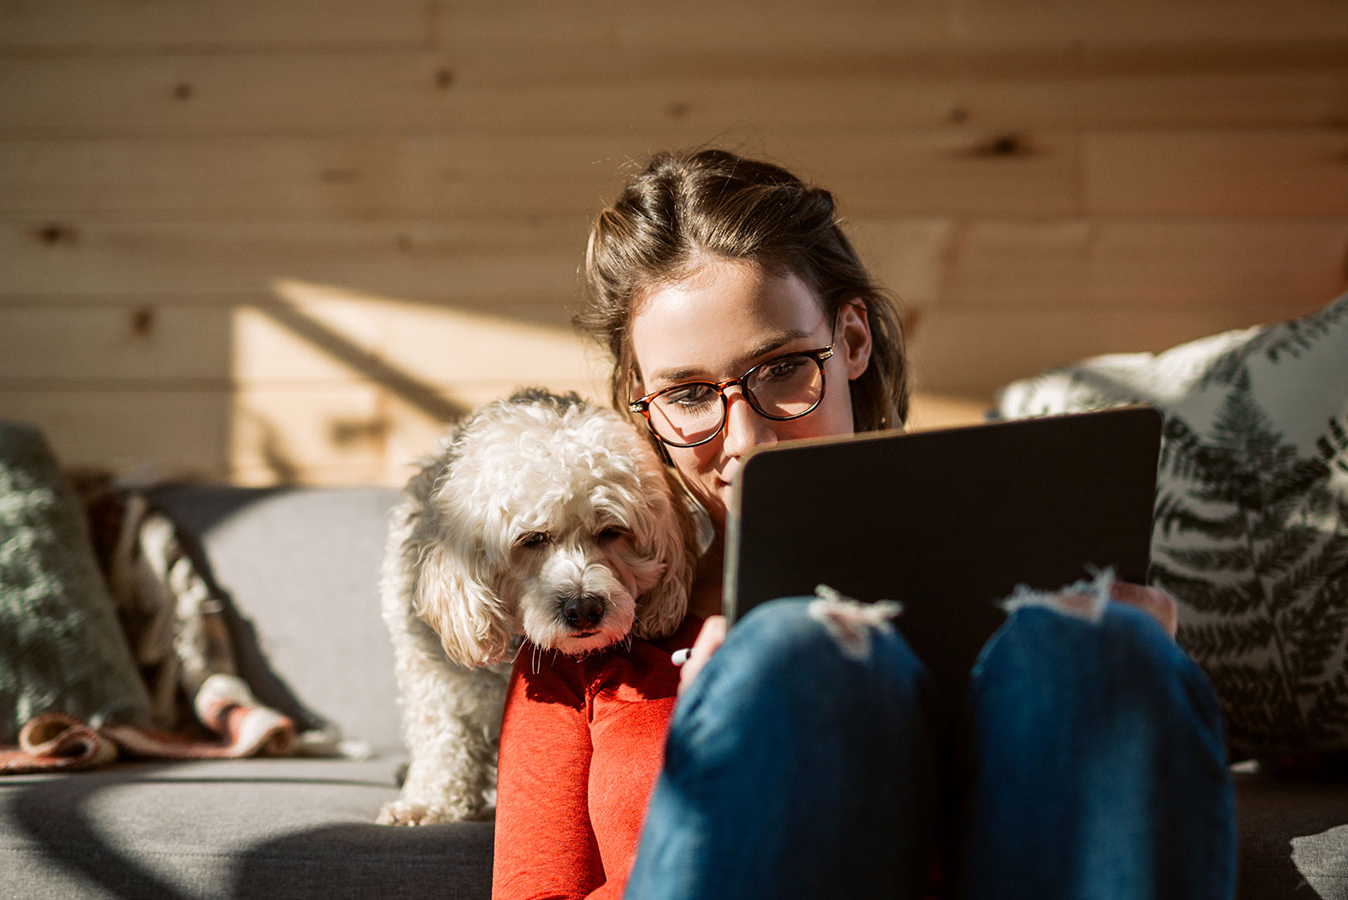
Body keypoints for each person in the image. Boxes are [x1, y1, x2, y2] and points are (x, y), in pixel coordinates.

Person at [489, 148, 1236, 900]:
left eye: (782, 370)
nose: (746, 441)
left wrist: (1135, 679)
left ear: (851, 341)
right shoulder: (585, 644)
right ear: (640, 404)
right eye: (688, 395)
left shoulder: (1032, 632)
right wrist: (729, 750)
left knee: (1100, 649)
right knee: (798, 654)